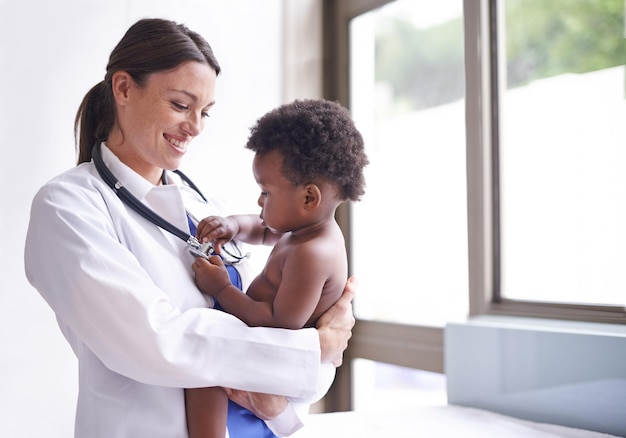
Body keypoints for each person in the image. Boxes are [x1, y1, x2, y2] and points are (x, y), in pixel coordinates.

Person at [23, 18, 356, 438]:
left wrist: (293, 383)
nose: (195, 127)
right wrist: (311, 349)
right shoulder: (68, 206)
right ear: (124, 89)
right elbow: (156, 341)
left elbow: (308, 349)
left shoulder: (205, 206)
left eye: (205, 113)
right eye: (181, 105)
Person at [185, 99, 369, 438]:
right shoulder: (306, 228)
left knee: (204, 374)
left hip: (289, 358)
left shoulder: (313, 253)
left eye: (265, 192)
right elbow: (264, 228)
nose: (259, 202)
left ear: (309, 198)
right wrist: (232, 226)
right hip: (282, 350)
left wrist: (222, 289)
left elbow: (279, 322)